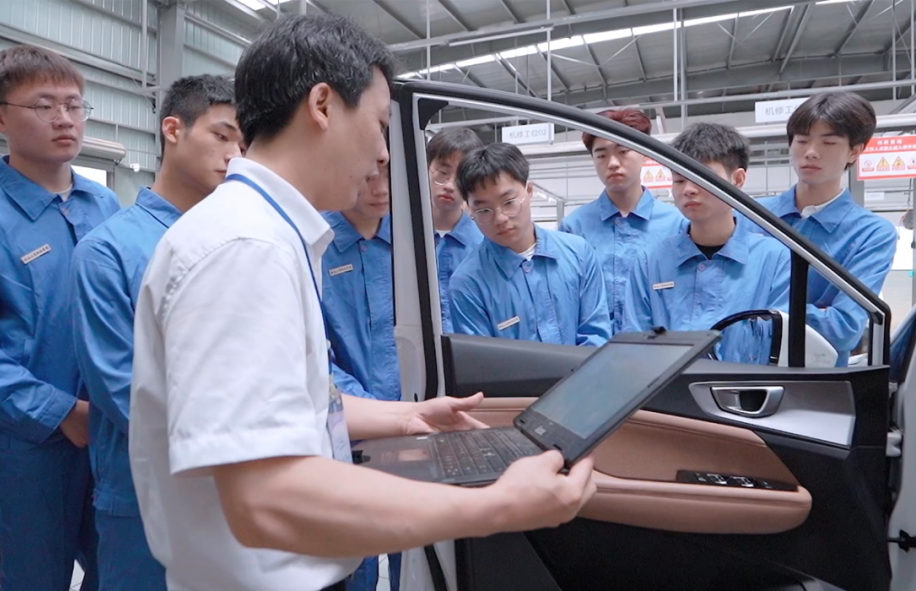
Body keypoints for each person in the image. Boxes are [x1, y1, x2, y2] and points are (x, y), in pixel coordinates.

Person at [127, 13, 596, 591]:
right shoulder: (247, 248)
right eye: (379, 125)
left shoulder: (267, 234)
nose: (383, 155)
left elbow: (288, 407)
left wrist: (405, 416)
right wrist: (497, 506)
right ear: (323, 105)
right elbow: (265, 499)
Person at [0, 45, 120, 590]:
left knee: (120, 569)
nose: (64, 119)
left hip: (111, 431)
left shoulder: (104, 207)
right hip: (30, 445)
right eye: (43, 105)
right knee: (35, 577)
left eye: (74, 105)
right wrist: (60, 412)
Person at [71, 74, 242, 591]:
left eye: (243, 143)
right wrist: (234, 443)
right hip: (145, 492)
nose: (235, 154)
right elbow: (121, 387)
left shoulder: (240, 241)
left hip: (240, 485)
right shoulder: (108, 252)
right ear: (173, 129)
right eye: (221, 135)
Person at [747, 91, 897, 366]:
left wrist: (753, 307)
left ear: (855, 151)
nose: (811, 152)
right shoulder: (750, 214)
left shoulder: (871, 234)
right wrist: (812, 313)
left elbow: (844, 329)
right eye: (802, 140)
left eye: (828, 142)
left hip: (816, 379)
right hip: (737, 369)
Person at [624, 123, 790, 364]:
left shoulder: (775, 261)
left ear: (738, 179)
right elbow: (634, 348)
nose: (689, 190)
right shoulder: (650, 262)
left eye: (701, 178)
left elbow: (781, 349)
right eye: (679, 180)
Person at [320, 164, 402, 591]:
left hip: (413, 429)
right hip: (341, 433)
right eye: (369, 174)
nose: (381, 188)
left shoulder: (415, 244)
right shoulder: (314, 246)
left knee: (416, 556)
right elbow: (310, 356)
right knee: (353, 565)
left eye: (389, 173)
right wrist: (374, 413)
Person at [449, 143, 611, 347]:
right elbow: (483, 361)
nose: (500, 218)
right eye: (484, 211)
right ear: (469, 210)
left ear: (530, 191)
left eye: (509, 202)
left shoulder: (579, 254)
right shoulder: (468, 284)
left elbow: (595, 337)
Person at [559, 109, 686, 333]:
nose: (613, 163)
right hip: (593, 350)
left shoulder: (677, 225)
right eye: (601, 155)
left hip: (659, 348)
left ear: (645, 153)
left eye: (623, 151)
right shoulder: (574, 228)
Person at [428, 128, 485, 333]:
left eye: (460, 177)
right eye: (442, 173)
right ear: (426, 168)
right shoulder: (399, 239)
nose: (449, 186)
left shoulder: (483, 246)